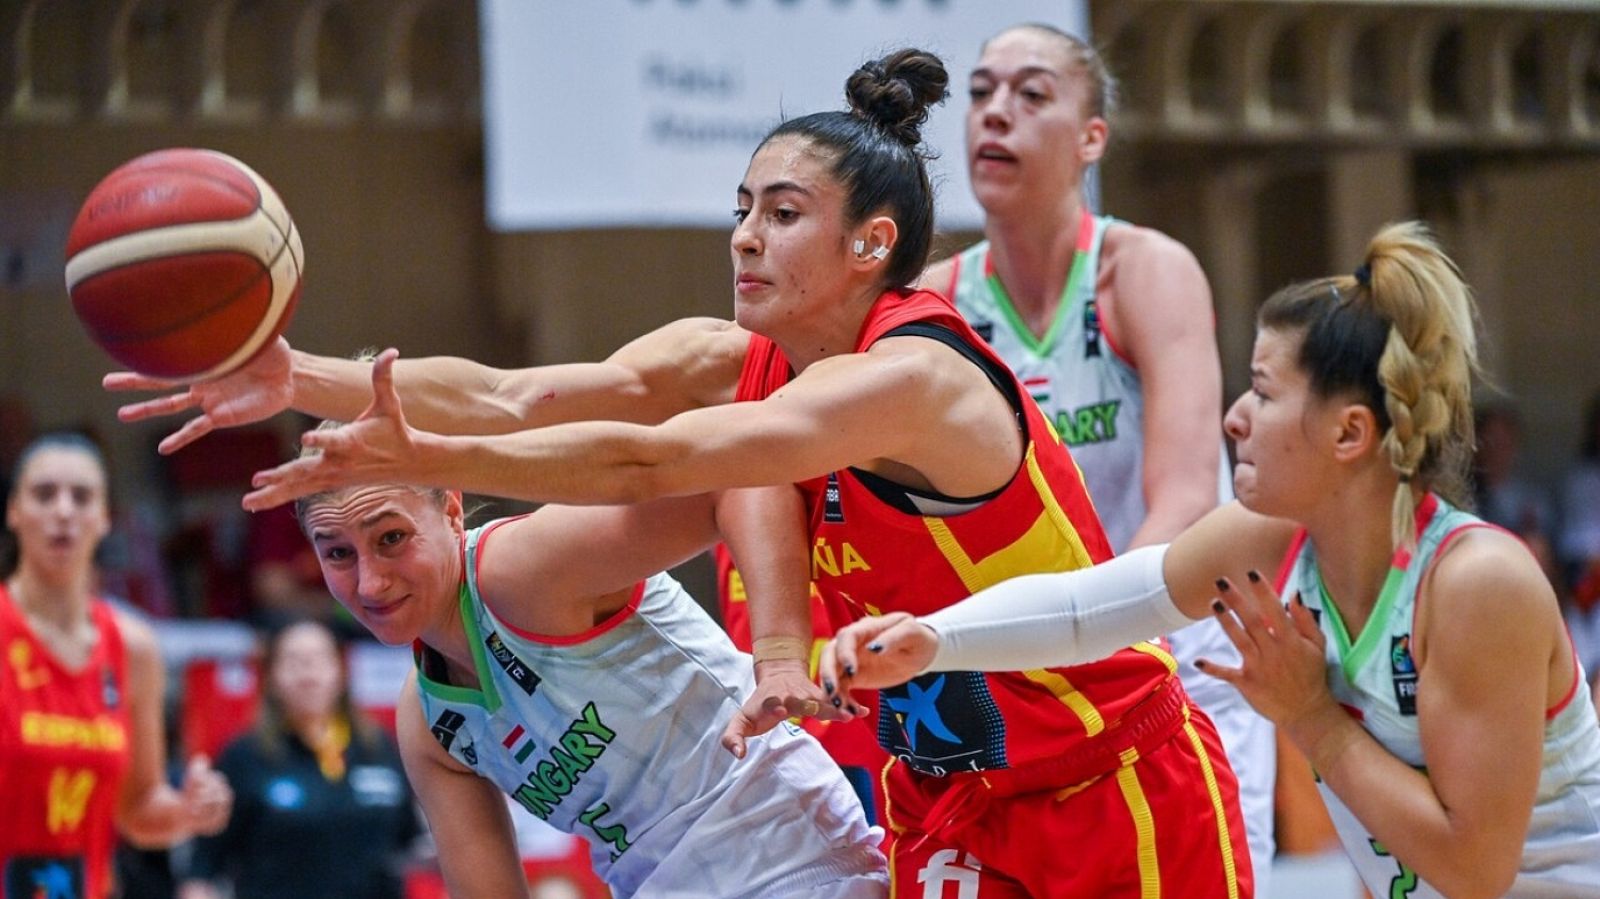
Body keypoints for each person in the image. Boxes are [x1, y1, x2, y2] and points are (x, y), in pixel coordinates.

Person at [229, 49, 1252, 898]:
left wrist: (421, 455)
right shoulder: (733, 358)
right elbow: (516, 395)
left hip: (1102, 775)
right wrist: (300, 376)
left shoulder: (912, 378)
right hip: (947, 800)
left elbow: (654, 460)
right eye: (742, 209)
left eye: (782, 213)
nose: (745, 237)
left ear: (872, 243)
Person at [821, 221, 1600, 899]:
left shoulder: (1475, 582)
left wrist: (1310, 718)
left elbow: (1475, 868)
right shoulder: (1270, 537)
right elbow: (1086, 610)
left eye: (1263, 392)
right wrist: (938, 638)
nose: (1235, 417)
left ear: (1349, 433)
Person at [920, 22, 1276, 885]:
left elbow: (1185, 498)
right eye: (981, 92)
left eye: (1031, 93)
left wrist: (1083, 629)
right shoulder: (938, 305)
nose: (995, 112)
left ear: (1091, 139)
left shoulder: (1146, 271)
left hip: (1177, 653)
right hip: (1030, 680)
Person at [284, 475, 886, 898]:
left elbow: (740, 480)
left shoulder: (517, 569)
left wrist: (777, 655)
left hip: (790, 861)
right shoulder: (426, 720)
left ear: (451, 512)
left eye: (391, 538)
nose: (370, 582)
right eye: (338, 554)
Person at [0, 433, 233, 899]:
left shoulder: (134, 648)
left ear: (105, 517)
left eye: (81, 496)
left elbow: (139, 810)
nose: (63, 511)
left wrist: (189, 810)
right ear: (14, 512)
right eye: (44, 494)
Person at [178, 618, 422, 899]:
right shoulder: (244, 757)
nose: (308, 673)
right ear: (270, 677)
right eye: (294, 661)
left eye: (319, 660)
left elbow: (412, 845)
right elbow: (202, 869)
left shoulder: (379, 747)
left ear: (341, 672)